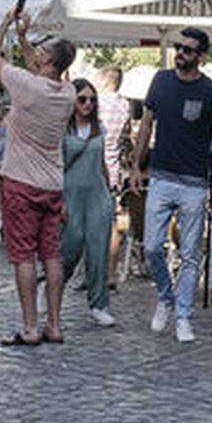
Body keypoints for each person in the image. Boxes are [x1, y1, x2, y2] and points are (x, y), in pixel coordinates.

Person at [129, 26, 212, 345]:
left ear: (201, 55)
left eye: (188, 50)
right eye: (179, 47)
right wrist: (136, 165)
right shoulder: (160, 81)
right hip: (161, 176)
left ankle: (183, 316)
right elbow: (146, 124)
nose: (181, 53)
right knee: (151, 247)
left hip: (194, 182)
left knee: (190, 254)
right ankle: (165, 295)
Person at [0, 7, 77, 346]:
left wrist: (6, 23)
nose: (35, 52)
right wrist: (24, 39)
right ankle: (55, 324)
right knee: (51, 254)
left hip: (22, 183)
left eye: (41, 49)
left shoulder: (27, 86)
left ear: (48, 61)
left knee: (23, 255)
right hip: (52, 185)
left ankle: (30, 327)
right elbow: (34, 70)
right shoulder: (67, 94)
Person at [61, 78, 116, 328]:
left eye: (92, 99)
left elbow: (102, 164)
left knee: (98, 252)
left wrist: (109, 194)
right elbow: (55, 166)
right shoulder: (62, 129)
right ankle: (52, 285)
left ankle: (98, 304)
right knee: (70, 247)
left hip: (97, 195)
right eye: (82, 99)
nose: (88, 104)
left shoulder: (100, 129)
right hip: (70, 194)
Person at [94, 66, 132, 288]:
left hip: (93, 168)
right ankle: (111, 274)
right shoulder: (124, 105)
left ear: (105, 81)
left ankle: (93, 272)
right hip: (114, 170)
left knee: (89, 223)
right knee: (111, 226)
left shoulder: (95, 103)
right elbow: (125, 138)